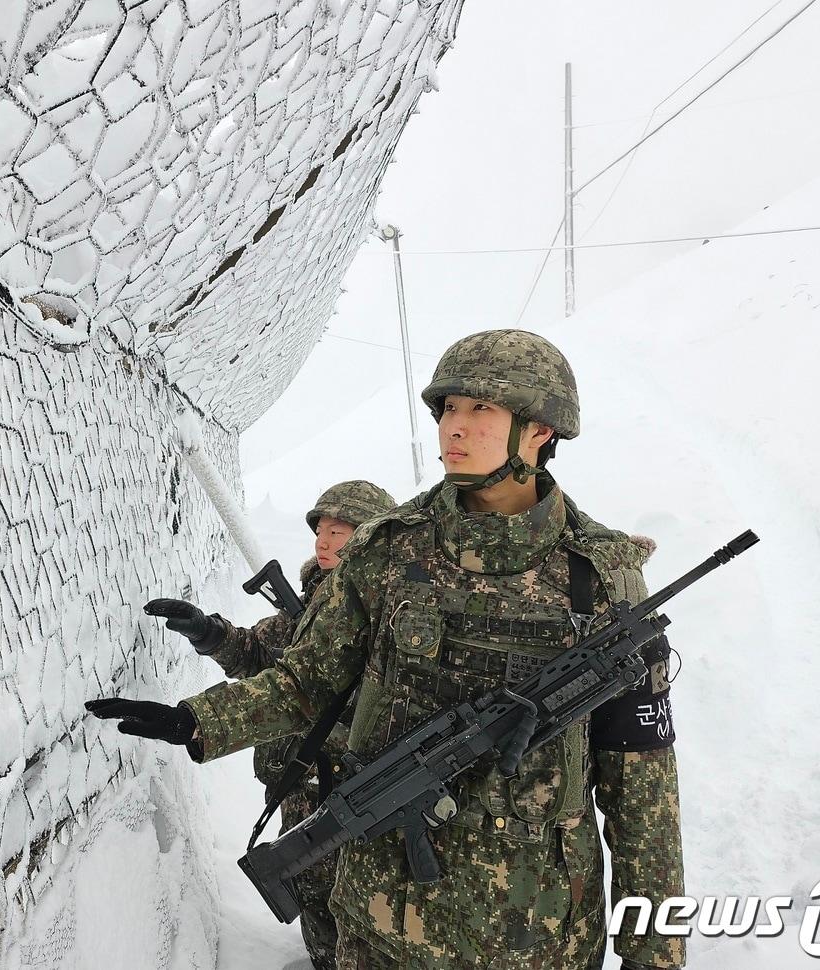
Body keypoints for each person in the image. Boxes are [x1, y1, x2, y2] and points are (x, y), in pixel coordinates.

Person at [89, 329, 685, 970]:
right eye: (447, 408)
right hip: (383, 924)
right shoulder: (387, 550)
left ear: (539, 431)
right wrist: (199, 721)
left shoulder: (600, 572)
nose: (452, 428)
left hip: (536, 934)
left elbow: (641, 782)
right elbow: (305, 685)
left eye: (479, 409)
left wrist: (655, 954)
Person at [147, 479, 396, 970]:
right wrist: (209, 632)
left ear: (370, 539)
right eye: (320, 531)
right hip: (299, 782)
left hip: (355, 789)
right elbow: (262, 658)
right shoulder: (310, 605)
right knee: (314, 897)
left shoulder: (384, 614)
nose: (324, 542)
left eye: (340, 532)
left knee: (359, 911)